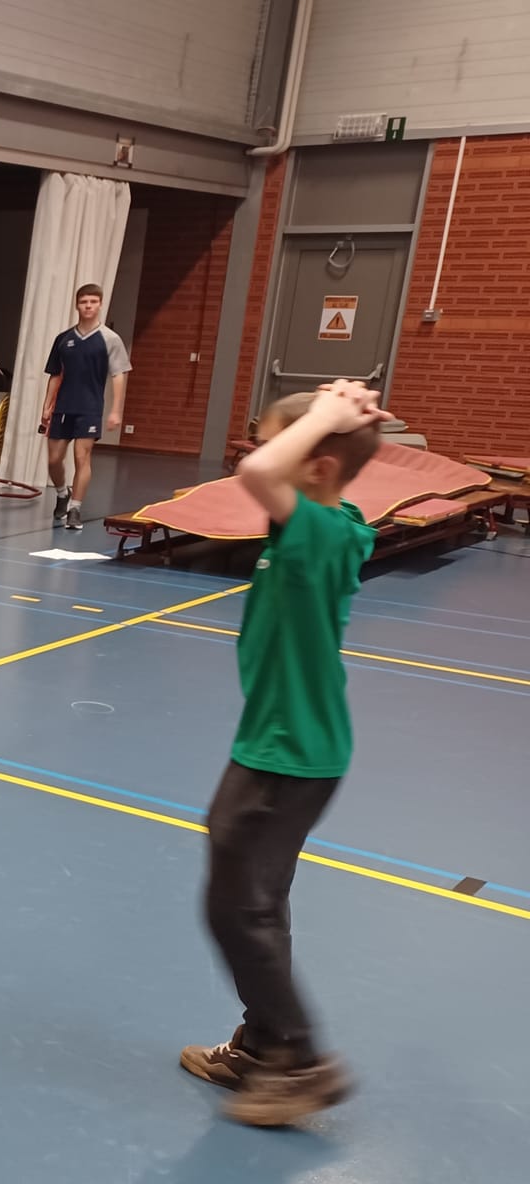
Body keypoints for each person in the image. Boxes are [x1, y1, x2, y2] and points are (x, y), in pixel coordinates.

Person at [180, 380, 387, 1126]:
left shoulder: (320, 534)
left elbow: (259, 474)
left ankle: (298, 1060)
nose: (257, 451)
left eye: (273, 441)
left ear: (317, 467)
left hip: (286, 753)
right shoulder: (333, 522)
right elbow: (274, 473)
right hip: (284, 745)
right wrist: (335, 420)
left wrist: (326, 418)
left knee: (236, 908)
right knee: (254, 902)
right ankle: (264, 1043)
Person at [38, 283, 130, 531]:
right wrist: (47, 405)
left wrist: (115, 410)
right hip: (63, 407)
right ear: (77, 305)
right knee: (54, 460)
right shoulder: (63, 339)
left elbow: (118, 375)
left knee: (82, 457)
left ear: (100, 305)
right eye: (84, 302)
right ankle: (62, 493)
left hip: (90, 408)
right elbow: (55, 374)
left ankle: (75, 508)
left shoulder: (110, 339)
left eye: (93, 302)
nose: (88, 306)